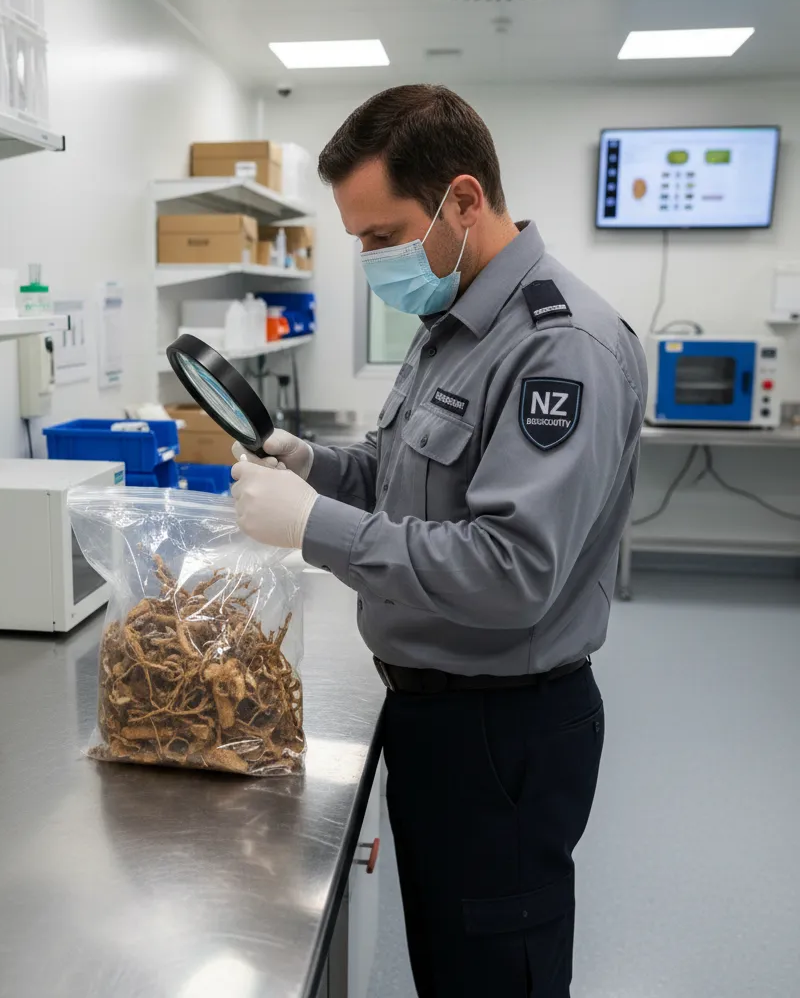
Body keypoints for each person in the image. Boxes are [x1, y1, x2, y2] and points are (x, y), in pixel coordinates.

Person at [230, 84, 646, 997]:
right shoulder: (452, 322)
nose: (372, 260)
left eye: (382, 235)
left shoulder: (559, 346)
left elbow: (511, 573)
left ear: (463, 199)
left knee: (497, 977)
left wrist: (313, 529)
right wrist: (311, 465)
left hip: (503, 731)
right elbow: (397, 470)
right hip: (432, 714)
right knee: (452, 969)